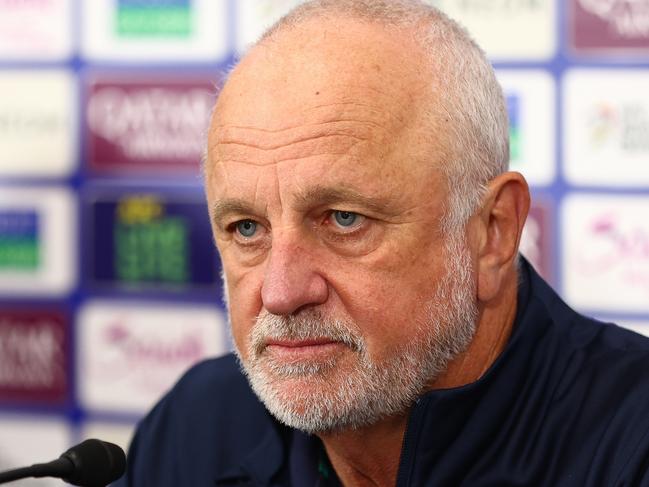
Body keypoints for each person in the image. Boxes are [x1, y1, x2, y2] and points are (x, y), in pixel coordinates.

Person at [115, 1, 649, 486]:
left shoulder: (630, 444)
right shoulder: (193, 429)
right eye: (247, 228)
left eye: (344, 219)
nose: (281, 293)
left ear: (493, 232)